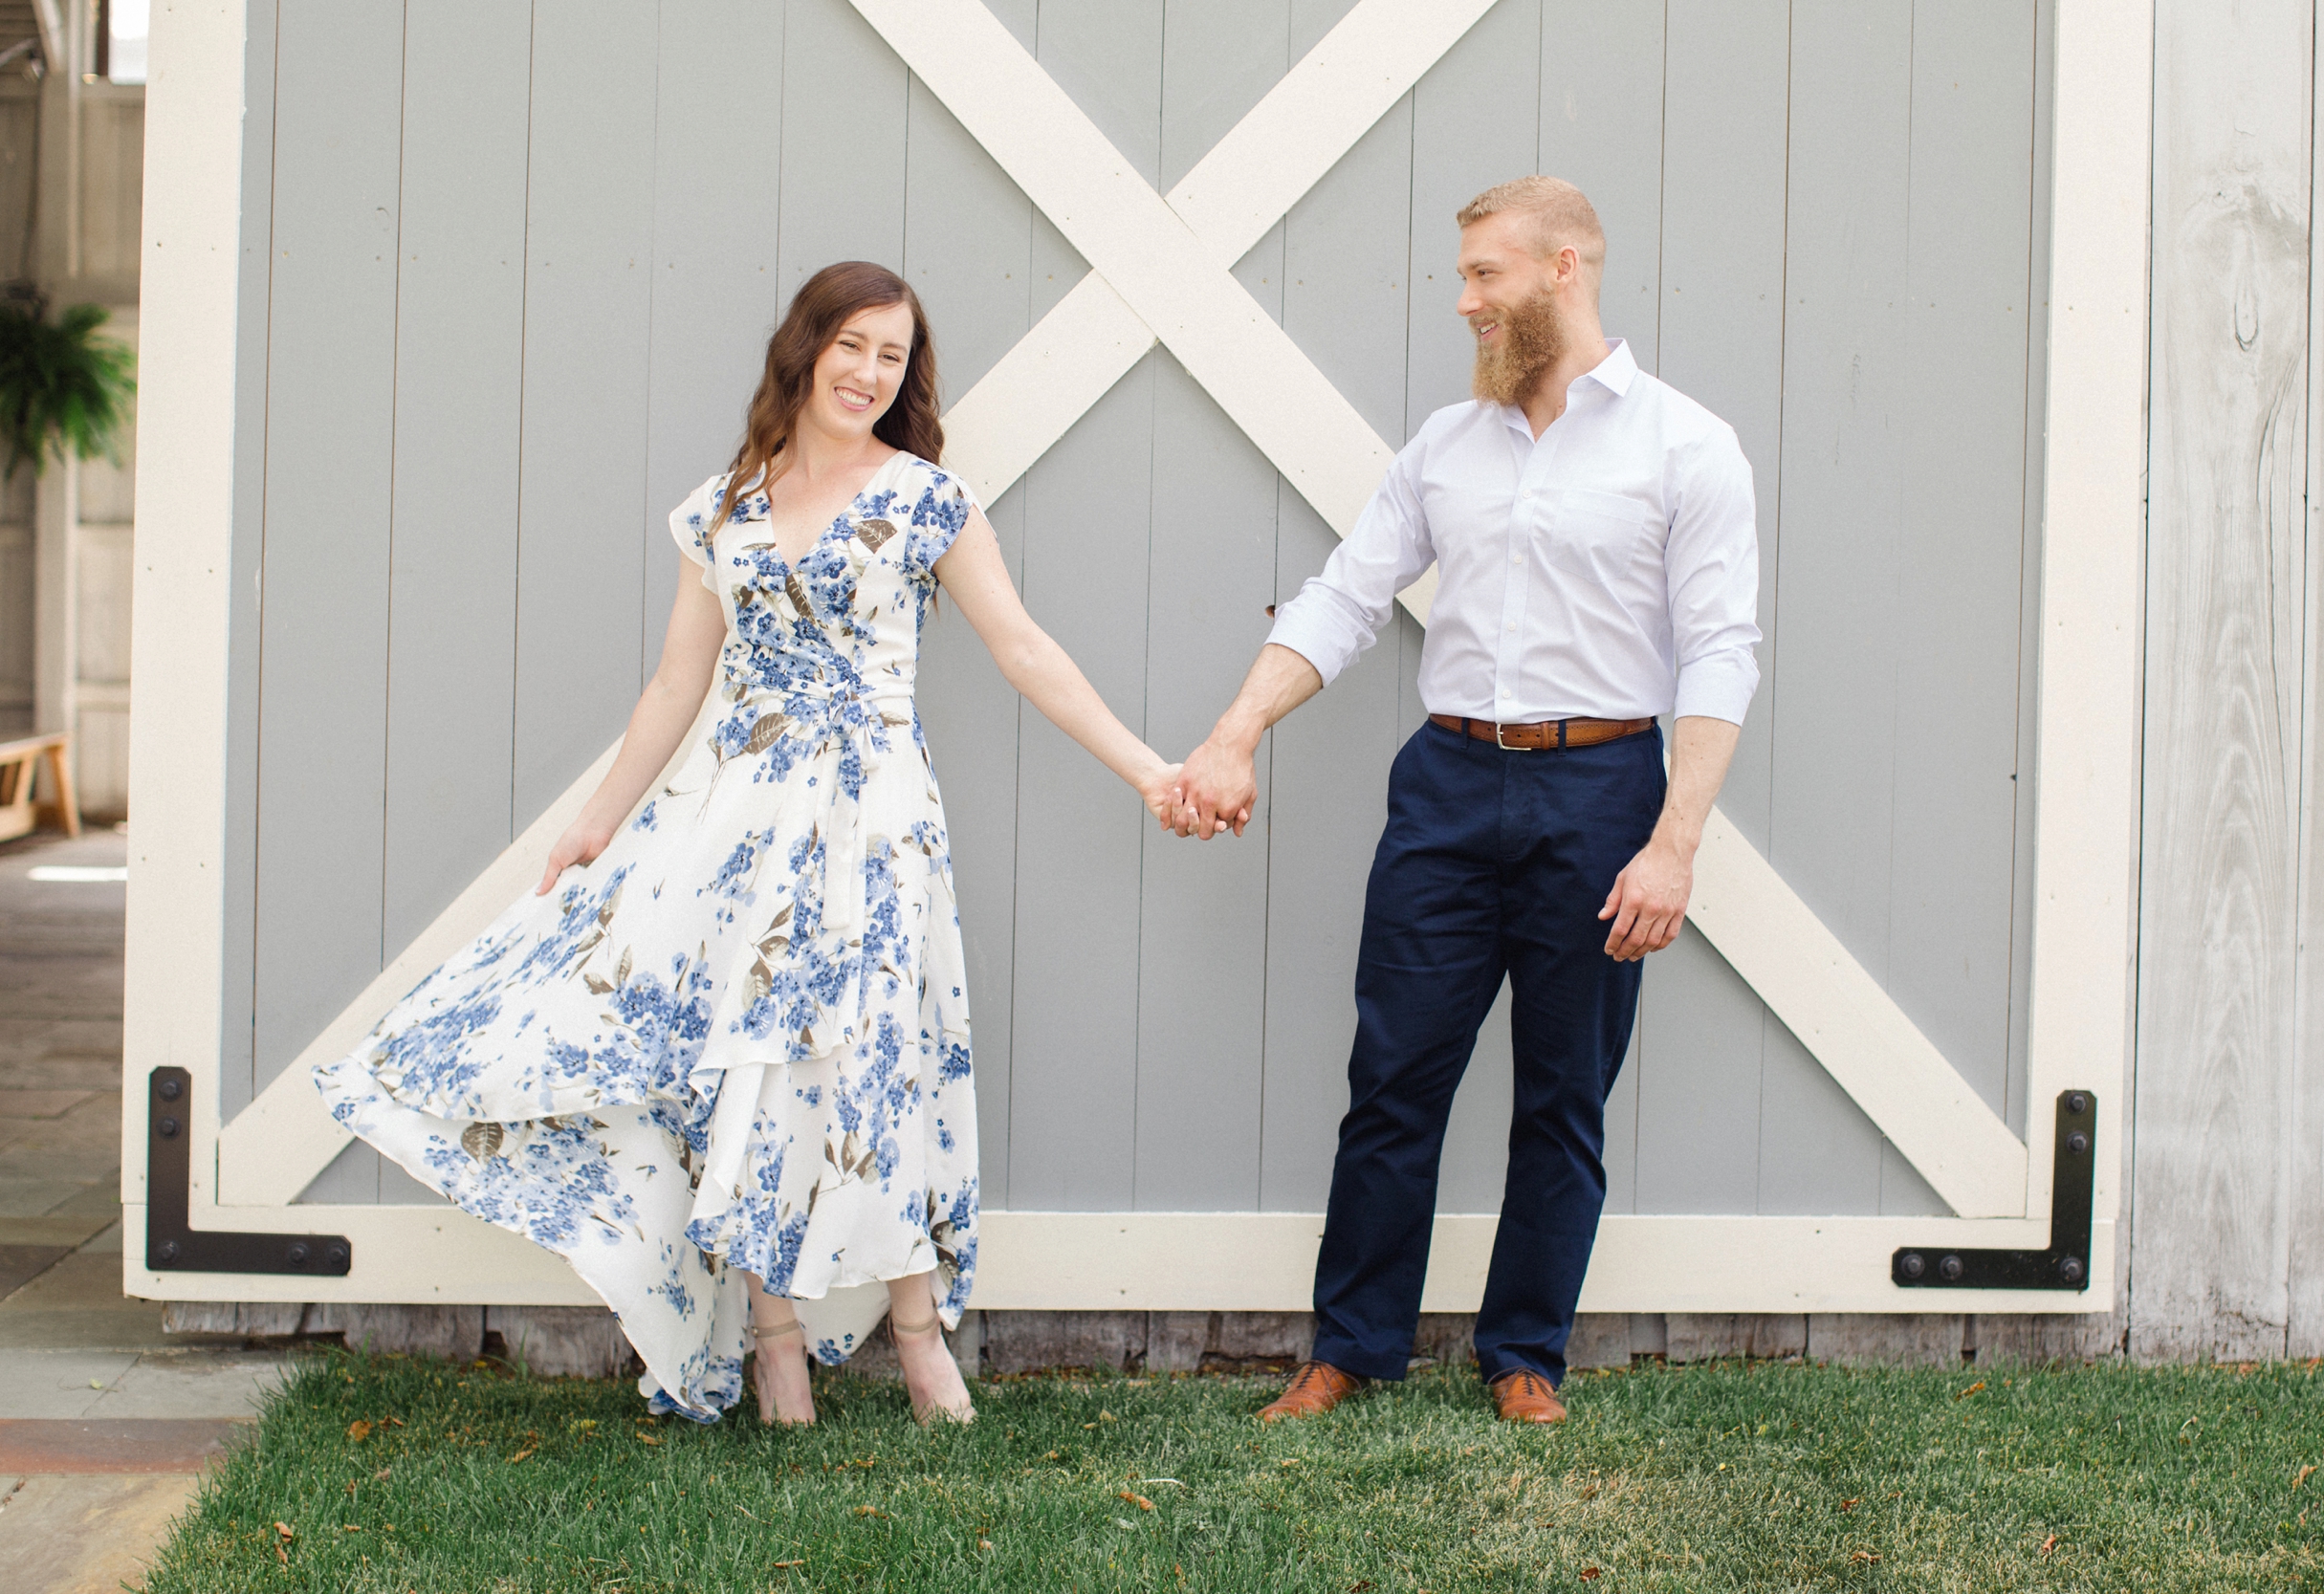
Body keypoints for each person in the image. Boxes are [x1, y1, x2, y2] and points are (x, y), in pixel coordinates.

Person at [316, 261, 1180, 1427]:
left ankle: (919, 1334)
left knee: (874, 1062)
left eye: (894, 355)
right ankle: (773, 1343)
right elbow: (679, 679)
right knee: (744, 1068)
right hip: (734, 825)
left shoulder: (927, 498)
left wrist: (1146, 768)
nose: (871, 373)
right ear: (806, 346)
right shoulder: (724, 505)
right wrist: (596, 819)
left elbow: (1023, 648)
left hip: (873, 822)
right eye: (854, 345)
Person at [1171, 177, 1762, 1425]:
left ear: (1564, 268)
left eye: (1486, 275)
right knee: (1393, 1076)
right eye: (1463, 277)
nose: (1465, 301)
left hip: (1605, 788)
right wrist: (1235, 731)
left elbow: (1720, 649)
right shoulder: (1445, 444)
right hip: (1446, 787)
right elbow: (1344, 597)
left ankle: (1525, 1354)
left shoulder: (1685, 445)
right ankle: (1352, 1344)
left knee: (1564, 1091)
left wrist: (1674, 842)